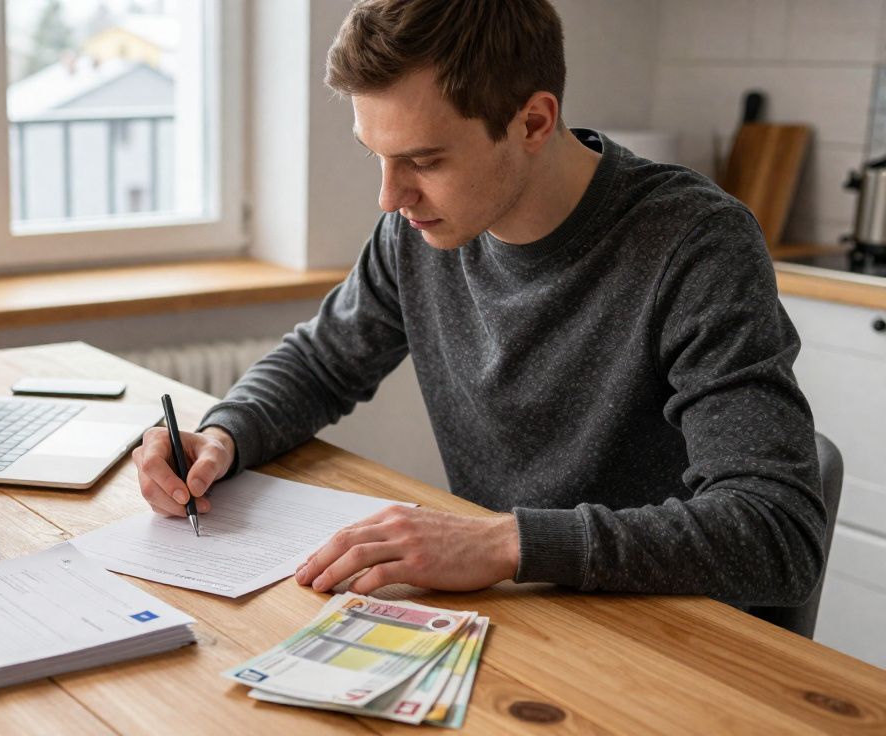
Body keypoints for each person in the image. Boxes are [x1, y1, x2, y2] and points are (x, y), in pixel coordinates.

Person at [131, 0, 825, 608]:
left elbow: (775, 532)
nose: (389, 197)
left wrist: (506, 542)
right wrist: (223, 437)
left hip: (666, 637)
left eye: (425, 162)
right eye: (376, 155)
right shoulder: (417, 233)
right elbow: (320, 362)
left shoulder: (695, 244)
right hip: (518, 611)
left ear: (532, 121)